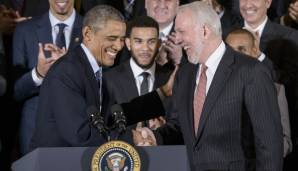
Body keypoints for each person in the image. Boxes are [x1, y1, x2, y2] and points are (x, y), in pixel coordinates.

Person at [133, 2, 283, 170]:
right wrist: (156, 137)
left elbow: (269, 144)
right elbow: (181, 126)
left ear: (205, 31)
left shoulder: (251, 71)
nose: (178, 39)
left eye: (181, 31)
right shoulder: (185, 72)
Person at [13, 0, 82, 155]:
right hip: (35, 132)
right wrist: (39, 73)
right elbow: (15, 91)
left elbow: (102, 86)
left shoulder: (91, 30)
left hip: (79, 131)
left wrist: (70, 69)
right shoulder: (25, 30)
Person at [104, 15, 174, 143]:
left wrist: (159, 133)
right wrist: (132, 137)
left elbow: (180, 125)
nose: (145, 48)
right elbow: (105, 127)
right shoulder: (109, 80)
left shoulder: (171, 78)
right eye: (138, 41)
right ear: (128, 43)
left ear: (158, 44)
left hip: (166, 156)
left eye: (151, 41)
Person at [225, 28, 293, 157]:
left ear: (255, 52)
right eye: (229, 50)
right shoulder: (210, 90)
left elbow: (285, 142)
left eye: (241, 50)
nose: (234, 56)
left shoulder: (276, 91)